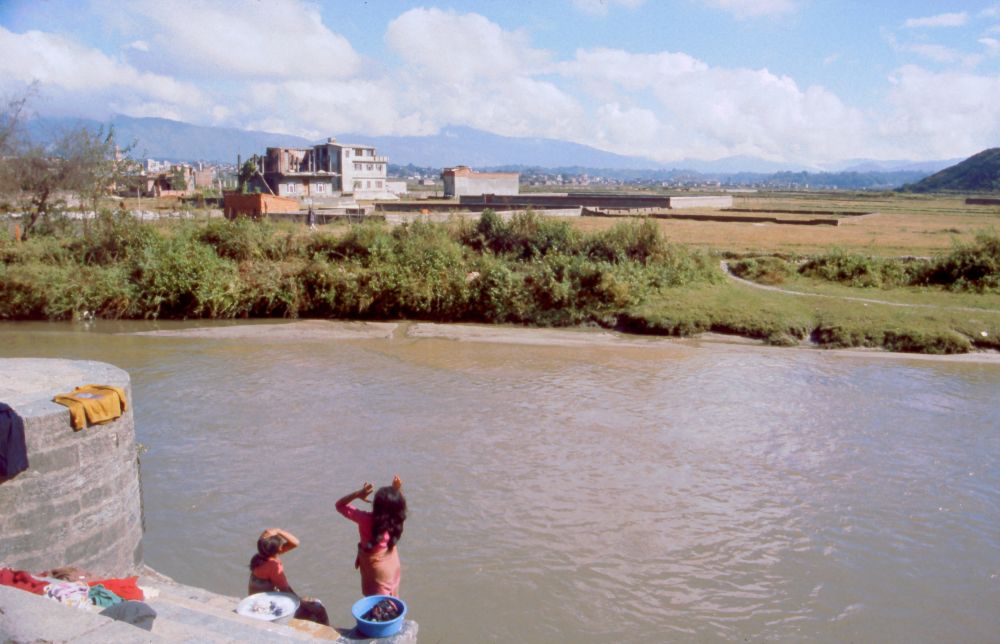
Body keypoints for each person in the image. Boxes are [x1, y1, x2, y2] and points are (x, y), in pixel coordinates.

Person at [336, 475, 407, 597]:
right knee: (392, 599)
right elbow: (398, 507)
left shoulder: (365, 519)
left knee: (378, 604)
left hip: (376, 567)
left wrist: (358, 494)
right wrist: (396, 490)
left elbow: (339, 505)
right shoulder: (396, 520)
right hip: (391, 562)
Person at [247, 527, 299, 595]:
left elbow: (295, 543)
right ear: (280, 549)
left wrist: (277, 531)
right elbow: (285, 590)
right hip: (264, 600)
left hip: (256, 595)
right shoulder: (272, 566)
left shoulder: (261, 554)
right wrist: (300, 601)